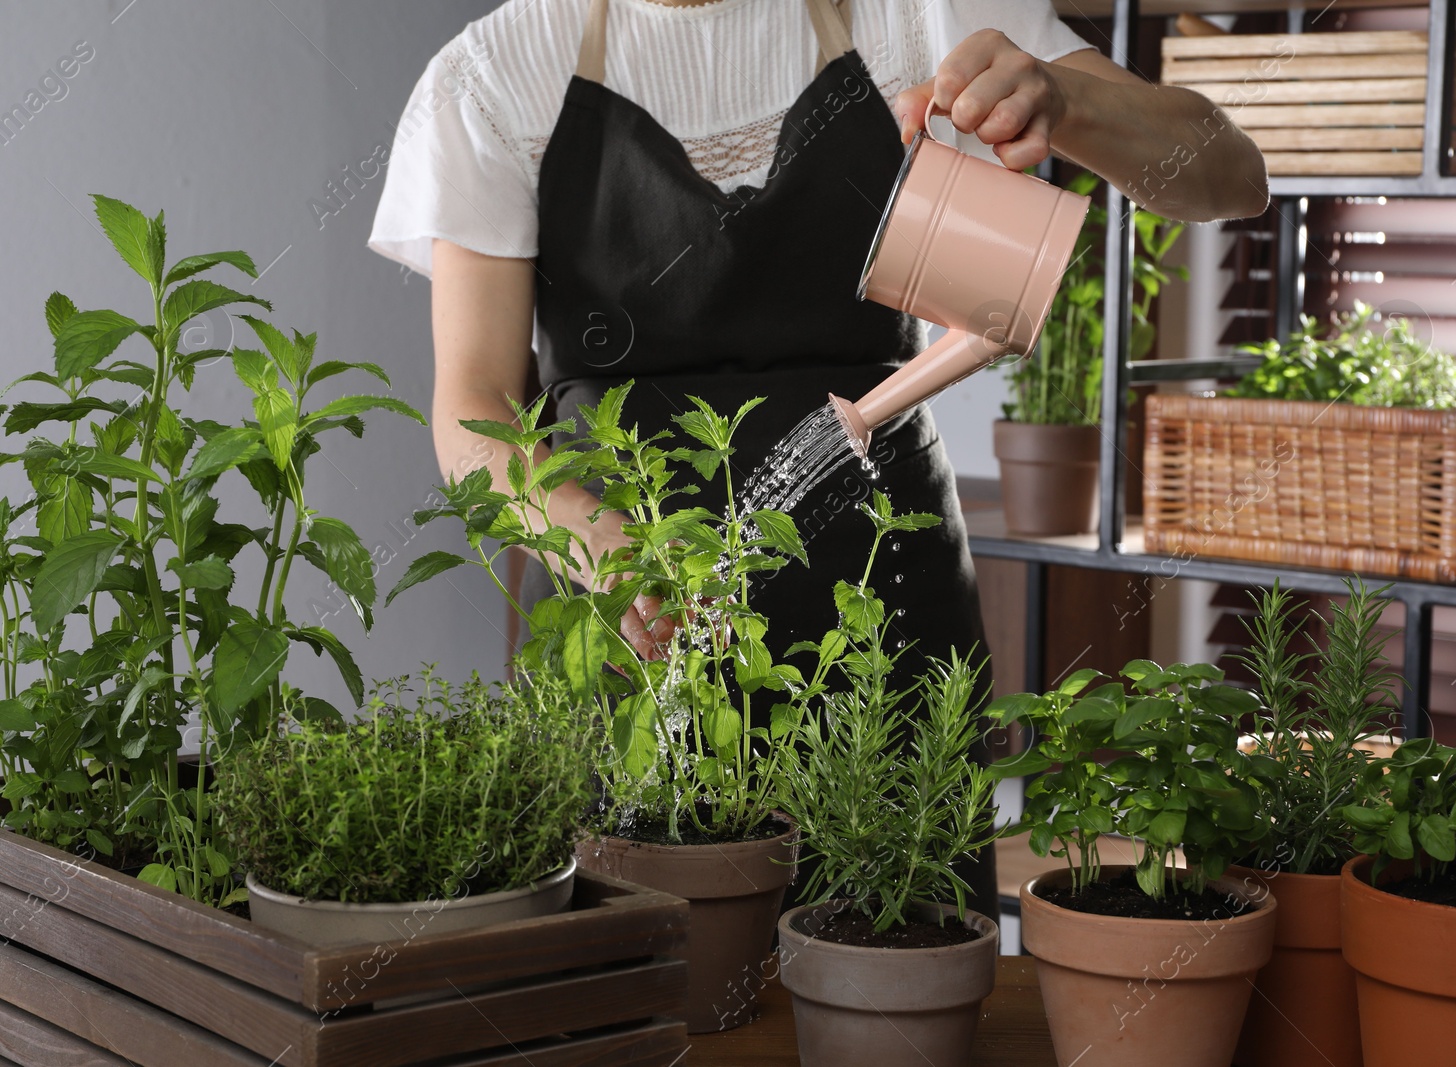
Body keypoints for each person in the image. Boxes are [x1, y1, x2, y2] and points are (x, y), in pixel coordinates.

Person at [370, 0, 1267, 920]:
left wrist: (1064, 100)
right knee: (638, 991)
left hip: (886, 620)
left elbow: (1230, 172)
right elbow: (474, 411)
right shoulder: (495, 73)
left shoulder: (917, 13)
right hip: (631, 628)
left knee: (897, 969)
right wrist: (593, 543)